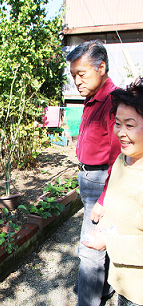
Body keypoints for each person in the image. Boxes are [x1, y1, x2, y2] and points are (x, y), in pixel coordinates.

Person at [66, 40, 121, 306]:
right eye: (73, 75)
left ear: (101, 67)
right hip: (90, 177)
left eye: (82, 73)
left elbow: (119, 157)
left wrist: (103, 199)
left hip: (102, 181)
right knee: (102, 236)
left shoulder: (112, 101)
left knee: (90, 246)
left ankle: (88, 302)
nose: (76, 80)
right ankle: (102, 290)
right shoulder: (93, 97)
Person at [82, 78, 143, 306]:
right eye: (118, 123)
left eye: (130, 124)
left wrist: (109, 242)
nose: (121, 132)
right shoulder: (122, 160)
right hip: (124, 284)